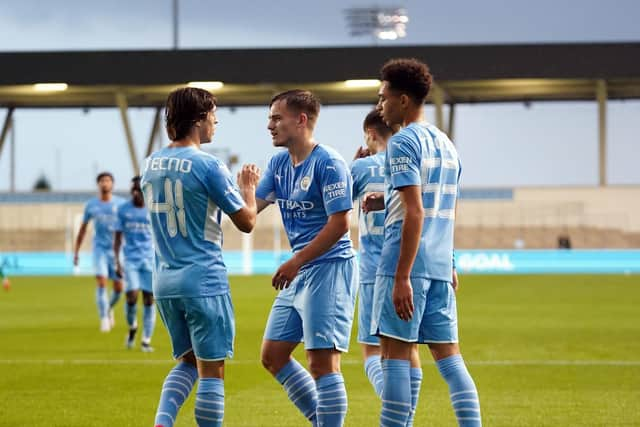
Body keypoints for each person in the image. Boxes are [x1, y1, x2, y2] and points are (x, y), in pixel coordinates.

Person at [369, 58, 481, 426]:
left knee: (394, 357)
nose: (379, 105)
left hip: (406, 264)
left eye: (383, 97)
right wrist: (449, 263)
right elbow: (440, 205)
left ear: (403, 100)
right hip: (438, 267)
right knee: (450, 360)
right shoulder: (447, 145)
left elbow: (415, 212)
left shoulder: (402, 142)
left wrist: (401, 277)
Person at [141, 87, 259, 427]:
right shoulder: (208, 165)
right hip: (203, 279)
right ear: (198, 120)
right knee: (212, 369)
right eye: (213, 117)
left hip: (164, 281)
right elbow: (247, 221)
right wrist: (248, 188)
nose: (216, 123)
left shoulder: (150, 165)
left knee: (188, 362)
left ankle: (163, 422)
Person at [253, 89, 357, 427]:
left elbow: (340, 223)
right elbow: (249, 210)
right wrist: (234, 189)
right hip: (300, 271)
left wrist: (296, 261)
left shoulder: (328, 162)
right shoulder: (279, 163)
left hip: (329, 268)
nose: (270, 125)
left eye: (276, 118)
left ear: (300, 120)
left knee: (322, 363)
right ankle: (322, 421)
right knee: (273, 356)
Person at [73, 172, 124, 332]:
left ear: (112, 184)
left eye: (108, 181)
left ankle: (108, 308)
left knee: (118, 288)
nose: (105, 183)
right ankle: (104, 318)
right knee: (101, 281)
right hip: (99, 249)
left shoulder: (121, 204)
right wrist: (76, 252)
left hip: (116, 251)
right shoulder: (91, 205)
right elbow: (83, 229)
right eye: (102, 181)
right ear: (98, 184)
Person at [113, 176, 156, 352]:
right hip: (130, 259)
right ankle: (132, 327)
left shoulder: (155, 208)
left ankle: (146, 340)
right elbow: (117, 237)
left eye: (140, 189)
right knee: (131, 296)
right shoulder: (123, 210)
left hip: (150, 259)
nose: (137, 193)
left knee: (149, 299)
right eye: (134, 190)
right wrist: (117, 261)